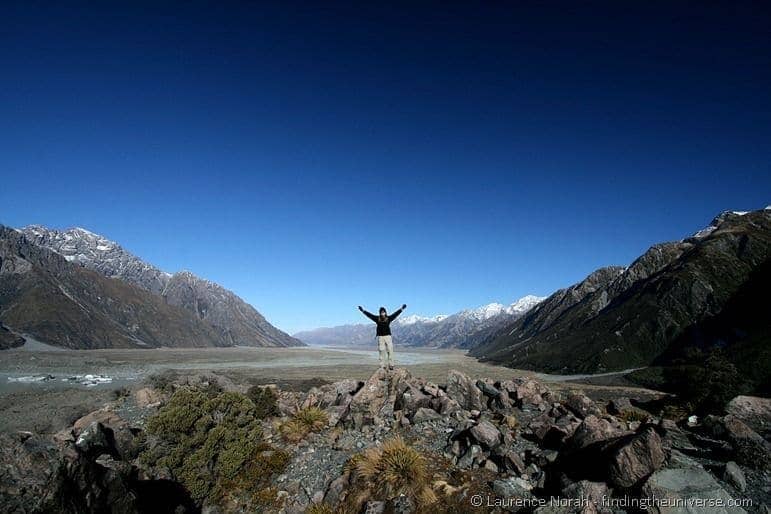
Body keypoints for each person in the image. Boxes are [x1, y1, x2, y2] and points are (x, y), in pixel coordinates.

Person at [358, 304, 406, 370]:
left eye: (383, 312)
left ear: (385, 312)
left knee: (390, 350)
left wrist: (401, 309)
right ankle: (382, 366)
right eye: (381, 312)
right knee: (381, 351)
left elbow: (395, 314)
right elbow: (370, 315)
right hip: (380, 337)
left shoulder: (389, 318)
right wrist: (363, 311)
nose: (383, 313)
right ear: (380, 313)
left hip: (388, 337)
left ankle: (391, 365)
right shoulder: (377, 319)